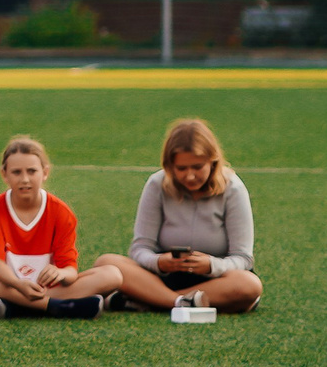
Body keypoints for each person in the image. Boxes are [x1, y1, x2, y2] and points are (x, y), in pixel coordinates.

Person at [95, 116, 262, 314]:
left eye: (198, 167)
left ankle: (150, 300)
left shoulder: (233, 188)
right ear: (169, 166)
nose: (190, 176)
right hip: (163, 277)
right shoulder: (156, 184)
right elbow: (140, 248)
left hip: (215, 279)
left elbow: (243, 258)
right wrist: (160, 262)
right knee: (107, 263)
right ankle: (181, 303)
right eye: (181, 169)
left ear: (213, 162)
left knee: (249, 285)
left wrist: (211, 265)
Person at [0, 135, 122, 319]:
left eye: (32, 171)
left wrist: (59, 272)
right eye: (17, 172)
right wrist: (19, 285)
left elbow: (70, 270)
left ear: (45, 172)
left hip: (45, 289)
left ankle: (16, 307)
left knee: (112, 275)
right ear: (4, 174)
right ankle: (57, 307)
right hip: (8, 285)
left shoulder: (61, 212)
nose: (25, 179)